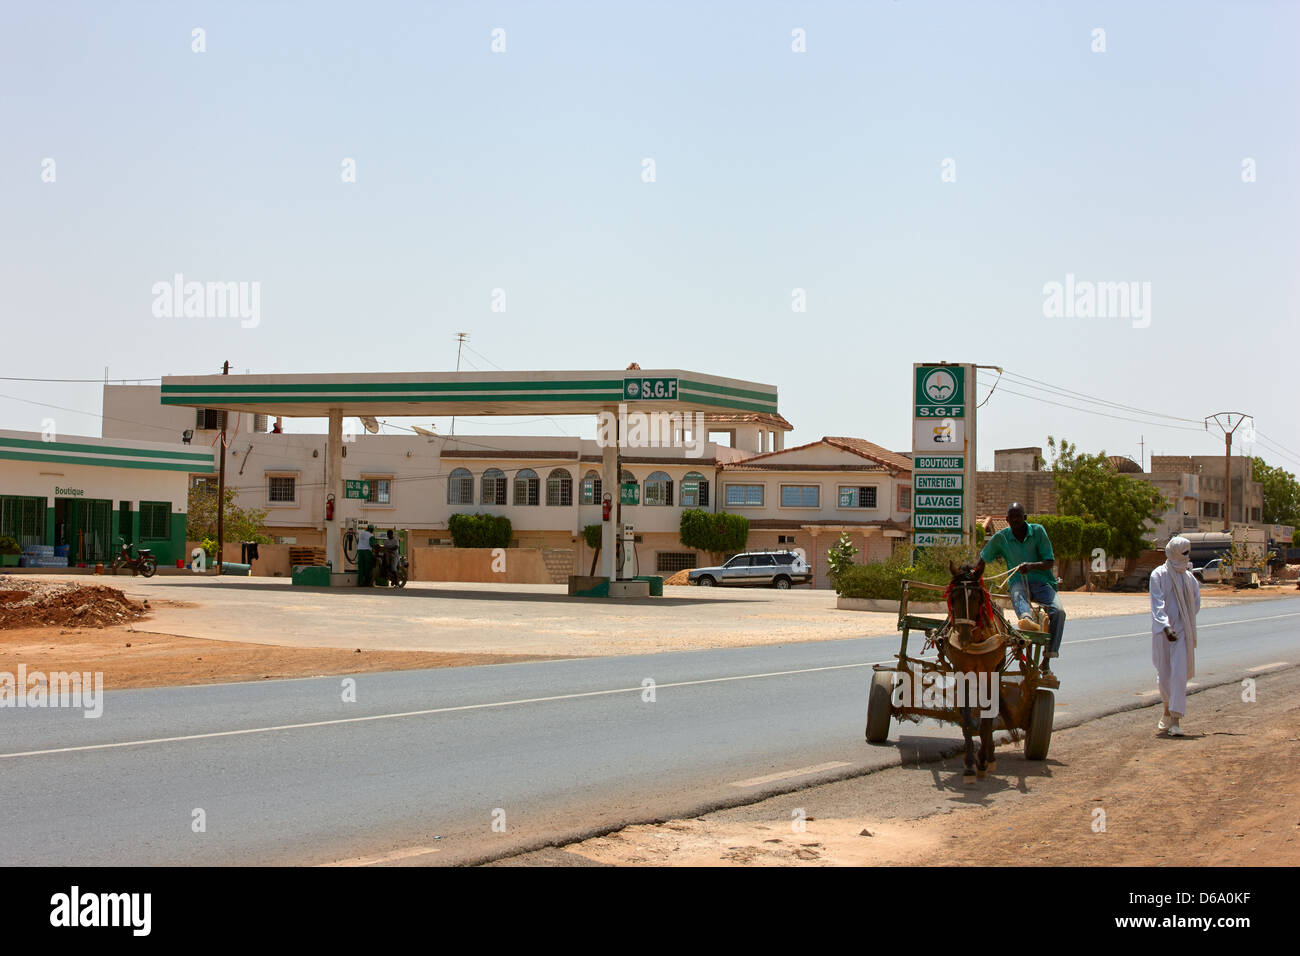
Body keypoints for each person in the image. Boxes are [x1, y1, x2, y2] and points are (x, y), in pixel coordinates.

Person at [971, 502, 1066, 675]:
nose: (1015, 520)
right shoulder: (1001, 537)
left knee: (1059, 611)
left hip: (1042, 582)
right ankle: (1026, 620)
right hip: (1018, 582)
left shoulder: (1038, 531)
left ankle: (1047, 659)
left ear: (1025, 518)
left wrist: (1032, 566)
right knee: (1017, 594)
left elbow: (1049, 562)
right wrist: (973, 575)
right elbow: (983, 559)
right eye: (1011, 517)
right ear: (1007, 520)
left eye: (1018, 517)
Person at [1149, 535, 1200, 737]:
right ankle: (1166, 710)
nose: (1187, 556)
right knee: (1164, 675)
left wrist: (1184, 623)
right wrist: (1166, 626)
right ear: (1173, 552)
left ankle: (1176, 719)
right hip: (1163, 633)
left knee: (1178, 675)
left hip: (1182, 633)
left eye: (1188, 552)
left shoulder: (1189, 579)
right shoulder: (1158, 575)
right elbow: (1157, 604)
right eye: (1184, 552)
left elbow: (1195, 604)